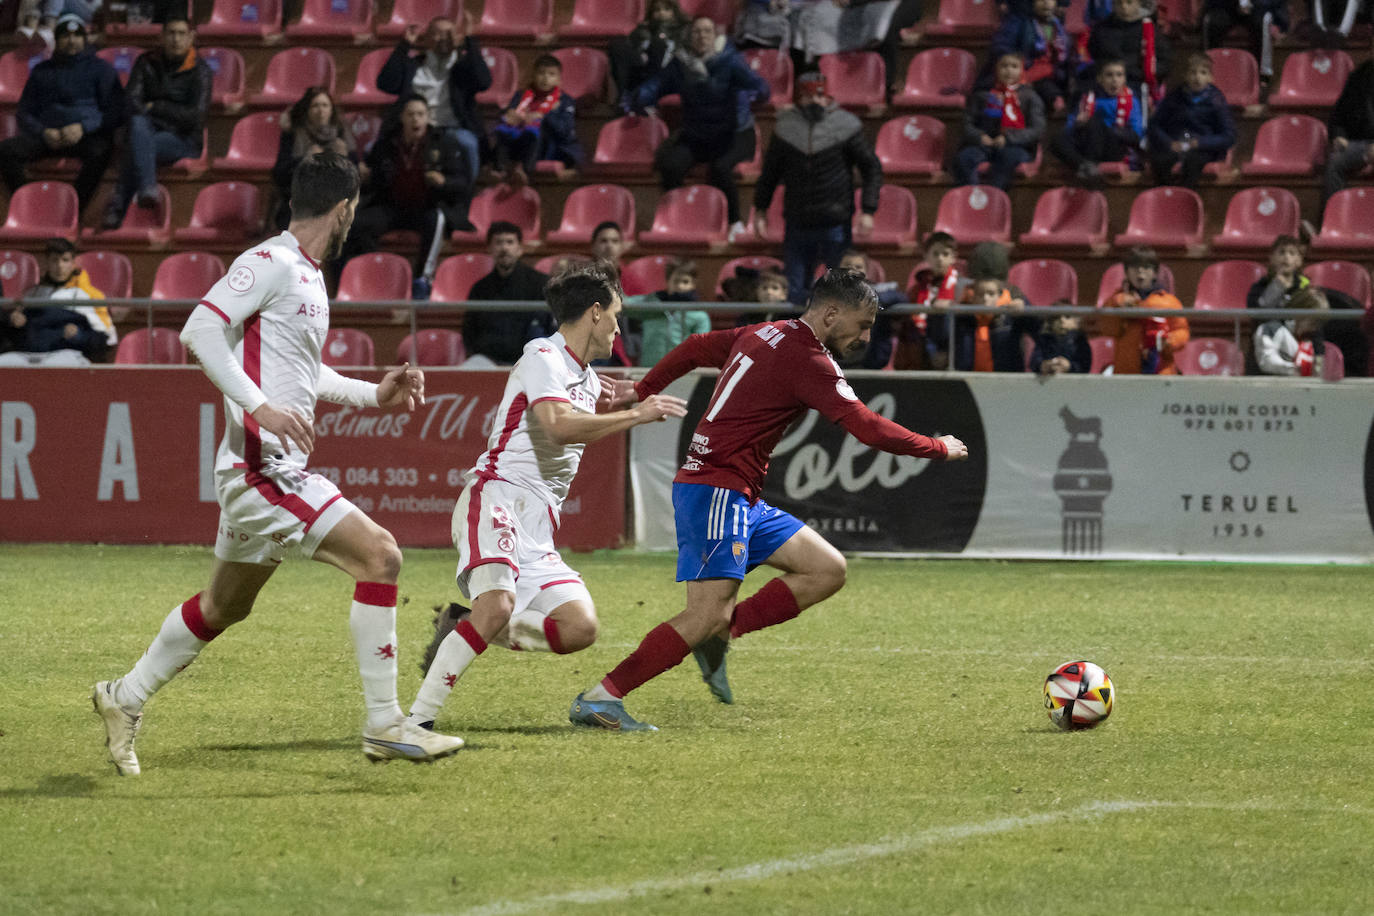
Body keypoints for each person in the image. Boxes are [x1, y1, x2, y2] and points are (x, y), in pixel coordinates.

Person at [91, 153, 466, 775]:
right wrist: (260, 408)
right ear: (344, 208)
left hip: (257, 467)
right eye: (355, 210)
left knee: (224, 606)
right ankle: (385, 725)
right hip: (262, 468)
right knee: (381, 555)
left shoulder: (309, 276)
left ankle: (122, 698)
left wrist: (375, 394)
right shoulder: (269, 261)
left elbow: (303, 371)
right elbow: (199, 331)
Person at [567, 269, 969, 730]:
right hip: (716, 490)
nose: (865, 335)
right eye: (863, 324)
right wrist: (937, 446)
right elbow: (866, 425)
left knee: (825, 570)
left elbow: (697, 346)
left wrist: (644, 387)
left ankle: (722, 632)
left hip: (736, 494)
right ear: (832, 313)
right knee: (703, 614)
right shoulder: (810, 360)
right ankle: (601, 697)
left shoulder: (766, 331)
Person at [406, 262, 690, 733]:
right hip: (496, 498)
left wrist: (629, 398)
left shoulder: (585, 376)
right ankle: (416, 723)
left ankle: (464, 624)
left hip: (537, 527)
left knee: (579, 629)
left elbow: (598, 397)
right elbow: (558, 427)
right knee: (496, 606)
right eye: (616, 314)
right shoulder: (542, 354)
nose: (620, 326)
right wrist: (637, 415)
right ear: (595, 313)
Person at [624, 16, 771, 243]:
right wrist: (638, 99)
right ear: (689, 37)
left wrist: (749, 96)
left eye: (707, 31)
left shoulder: (731, 61)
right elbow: (655, 86)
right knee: (671, 165)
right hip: (699, 134)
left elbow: (761, 88)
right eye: (697, 32)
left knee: (720, 169)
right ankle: (679, 217)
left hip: (735, 134)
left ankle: (734, 222)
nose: (702, 36)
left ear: (715, 36)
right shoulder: (680, 65)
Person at [752, 70, 882, 304]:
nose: (814, 101)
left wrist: (868, 209)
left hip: (836, 222)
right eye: (808, 96)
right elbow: (770, 172)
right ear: (799, 98)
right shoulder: (785, 128)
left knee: (840, 292)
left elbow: (871, 167)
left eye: (819, 96)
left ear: (827, 96)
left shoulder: (846, 126)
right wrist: (760, 208)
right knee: (794, 293)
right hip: (797, 221)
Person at [340, 94, 472, 300]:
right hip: (392, 207)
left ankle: (423, 279)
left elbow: (463, 184)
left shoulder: (444, 143)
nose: (415, 119)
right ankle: (373, 274)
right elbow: (375, 178)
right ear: (402, 118)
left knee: (437, 219)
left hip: (426, 207)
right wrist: (366, 176)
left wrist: (444, 182)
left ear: (428, 117)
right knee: (356, 223)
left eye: (420, 114)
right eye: (410, 114)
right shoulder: (386, 143)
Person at [0, 14, 124, 214]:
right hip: (49, 137)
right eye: (66, 36)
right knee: (6, 151)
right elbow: (25, 112)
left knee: (101, 151)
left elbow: (115, 111)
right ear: (57, 42)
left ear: (84, 39)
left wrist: (83, 127)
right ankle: (27, 206)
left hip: (84, 136)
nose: (72, 40)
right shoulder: (42, 71)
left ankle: (71, 210)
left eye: (77, 35)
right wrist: (43, 132)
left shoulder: (102, 69)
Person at [102, 16, 210, 230]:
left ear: (191, 38)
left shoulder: (201, 70)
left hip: (183, 139)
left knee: (137, 142)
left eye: (181, 34)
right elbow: (130, 101)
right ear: (161, 36)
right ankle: (146, 188)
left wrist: (156, 107)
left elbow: (195, 117)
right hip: (147, 129)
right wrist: (154, 114)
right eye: (171, 33)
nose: (175, 39)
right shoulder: (146, 62)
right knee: (138, 126)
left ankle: (120, 205)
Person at [376, 13, 488, 185]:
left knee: (469, 143)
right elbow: (385, 84)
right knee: (378, 148)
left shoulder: (463, 66)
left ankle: (467, 194)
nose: (444, 38)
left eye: (449, 33)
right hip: (417, 127)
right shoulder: (413, 65)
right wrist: (405, 45)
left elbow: (483, 82)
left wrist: (469, 41)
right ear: (427, 38)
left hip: (452, 129)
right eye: (437, 33)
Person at [927, 242, 1036, 372]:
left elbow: (1040, 331)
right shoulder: (961, 307)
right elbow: (941, 337)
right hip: (966, 382)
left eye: (991, 293)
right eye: (980, 293)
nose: (985, 299)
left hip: (1006, 382)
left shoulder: (1015, 305)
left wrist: (1025, 311)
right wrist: (939, 314)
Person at [1, 237, 111, 360]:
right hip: (29, 354)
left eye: (65, 260)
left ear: (73, 264)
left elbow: (104, 338)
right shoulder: (31, 294)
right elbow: (16, 332)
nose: (59, 266)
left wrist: (79, 335)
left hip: (66, 353)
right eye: (54, 260)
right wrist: (15, 320)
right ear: (46, 263)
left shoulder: (88, 296)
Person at [463, 221, 556, 366]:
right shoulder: (479, 288)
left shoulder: (541, 284)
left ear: (520, 248)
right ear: (489, 248)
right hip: (488, 360)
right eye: (498, 243)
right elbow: (469, 332)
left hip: (529, 360)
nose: (504, 248)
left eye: (510, 242)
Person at [954, 53, 1046, 191]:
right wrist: (979, 136)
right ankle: (972, 198)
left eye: (1014, 66)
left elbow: (1037, 129)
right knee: (965, 158)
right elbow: (967, 124)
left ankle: (994, 199)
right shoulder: (982, 95)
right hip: (984, 145)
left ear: (1022, 71)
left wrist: (1008, 138)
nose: (1009, 70)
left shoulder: (1030, 97)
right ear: (996, 70)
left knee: (1007, 158)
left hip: (1016, 146)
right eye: (1004, 66)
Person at [271, 87, 357, 231]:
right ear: (307, 110)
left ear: (331, 110)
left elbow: (355, 178)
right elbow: (279, 175)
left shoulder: (341, 134)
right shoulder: (293, 134)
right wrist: (305, 160)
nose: (320, 110)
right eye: (315, 106)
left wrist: (344, 160)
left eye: (325, 105)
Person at [491, 54, 583, 187]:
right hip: (519, 142)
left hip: (550, 146)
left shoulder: (564, 101)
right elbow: (507, 115)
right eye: (541, 73)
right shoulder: (521, 96)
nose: (545, 78)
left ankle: (525, 173)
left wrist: (545, 116)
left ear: (559, 80)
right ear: (533, 75)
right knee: (504, 129)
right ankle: (499, 170)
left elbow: (564, 132)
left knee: (535, 129)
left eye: (551, 74)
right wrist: (509, 116)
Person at [1095, 246, 1189, 374]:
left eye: (1146, 267)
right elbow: (1108, 328)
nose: (1140, 272)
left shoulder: (1169, 302)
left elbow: (1181, 331)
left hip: (1160, 373)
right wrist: (1116, 305)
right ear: (1127, 273)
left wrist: (1169, 342)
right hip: (1126, 373)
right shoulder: (1116, 300)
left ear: (1155, 273)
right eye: (1134, 267)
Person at [1147, 53, 1235, 189]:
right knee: (1160, 161)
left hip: (1203, 148)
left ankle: (1185, 197)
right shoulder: (1174, 97)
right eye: (1193, 72)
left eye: (1203, 73)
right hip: (1176, 144)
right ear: (1185, 76)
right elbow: (1155, 125)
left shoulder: (1216, 101)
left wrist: (1200, 143)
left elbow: (1228, 136)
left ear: (1211, 78)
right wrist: (1169, 142)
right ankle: (1164, 195)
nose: (1197, 77)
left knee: (1192, 162)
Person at [1051, 58, 1144, 184]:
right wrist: (1078, 124)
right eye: (1109, 75)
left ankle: (1086, 167)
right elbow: (1069, 129)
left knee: (1094, 121)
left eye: (1119, 75)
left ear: (1124, 79)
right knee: (1057, 140)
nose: (1114, 80)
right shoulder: (1087, 99)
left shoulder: (1132, 101)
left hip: (1113, 146)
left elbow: (1136, 135)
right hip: (1087, 144)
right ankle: (1085, 166)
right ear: (1100, 79)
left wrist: (1108, 131)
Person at [988, 0, 1077, 111]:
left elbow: (1068, 58)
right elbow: (1002, 49)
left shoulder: (1058, 28)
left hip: (1054, 76)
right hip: (1024, 75)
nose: (1046, 3)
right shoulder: (1018, 24)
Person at [1320, 43, 1374, 216]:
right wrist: (1339, 136)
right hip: (1359, 145)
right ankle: (1330, 221)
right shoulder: (1358, 77)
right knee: (1335, 163)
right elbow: (1337, 117)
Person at [896, 230, 960, 370]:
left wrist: (950, 304)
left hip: (951, 350)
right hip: (922, 348)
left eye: (945, 254)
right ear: (926, 256)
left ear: (954, 257)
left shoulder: (960, 286)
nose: (940, 259)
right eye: (935, 254)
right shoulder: (918, 287)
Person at [1087, 0, 1171, 102]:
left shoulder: (1150, 30)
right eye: (1119, 3)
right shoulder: (1102, 29)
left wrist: (1141, 73)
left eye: (1129, 2)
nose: (1124, 7)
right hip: (1106, 86)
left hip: (1138, 84)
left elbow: (1164, 62)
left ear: (1139, 4)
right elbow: (1094, 55)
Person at [609, 0, 690, 105]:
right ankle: (623, 96)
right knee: (618, 44)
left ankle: (646, 95)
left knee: (658, 43)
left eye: (666, 9)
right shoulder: (643, 30)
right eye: (657, 10)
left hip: (668, 75)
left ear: (675, 11)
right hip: (643, 70)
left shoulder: (684, 30)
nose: (662, 13)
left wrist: (661, 34)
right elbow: (632, 52)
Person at [638, 257, 711, 367]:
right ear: (668, 282)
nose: (680, 286)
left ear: (693, 284)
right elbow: (622, 305)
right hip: (647, 370)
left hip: (682, 374)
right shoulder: (649, 305)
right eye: (676, 281)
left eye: (685, 282)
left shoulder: (700, 316)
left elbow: (701, 350)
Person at [1202, 0, 1287, 89]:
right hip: (1227, 7)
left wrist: (1252, 4)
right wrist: (1236, 4)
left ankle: (1262, 76)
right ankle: (1207, 72)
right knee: (1211, 21)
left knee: (1263, 21)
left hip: (1257, 8)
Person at [1254, 285, 1329, 376]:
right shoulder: (1270, 329)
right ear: (1300, 313)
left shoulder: (1309, 339)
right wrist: (1297, 369)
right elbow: (1266, 362)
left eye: (1319, 324)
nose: (1315, 328)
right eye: (1313, 322)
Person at [1029, 308, 1092, 374]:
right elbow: (1034, 362)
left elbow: (1085, 366)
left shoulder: (1080, 342)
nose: (1062, 320)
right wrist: (1043, 365)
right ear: (1050, 322)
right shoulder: (1044, 340)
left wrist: (1069, 367)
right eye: (1057, 317)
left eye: (1067, 317)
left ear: (1076, 322)